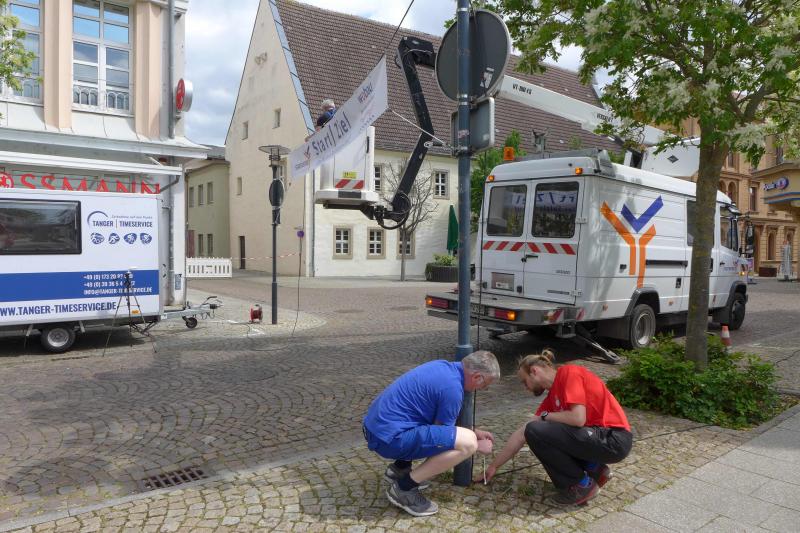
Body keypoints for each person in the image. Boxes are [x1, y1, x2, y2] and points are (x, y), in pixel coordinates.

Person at [477, 349, 632, 507]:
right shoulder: (552, 397)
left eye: (524, 382)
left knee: (537, 430)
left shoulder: (569, 373)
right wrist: (493, 467)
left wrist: (546, 416)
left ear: (534, 371)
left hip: (615, 438)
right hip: (599, 437)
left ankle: (580, 486)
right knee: (535, 431)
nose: (525, 388)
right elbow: (522, 433)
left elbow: (578, 418)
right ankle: (595, 469)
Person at [363, 350, 501, 517]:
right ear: (477, 377)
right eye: (485, 385)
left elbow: (437, 423)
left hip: (376, 430)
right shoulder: (453, 390)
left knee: (428, 421)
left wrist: (474, 431)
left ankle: (399, 469)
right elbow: (442, 438)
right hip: (389, 440)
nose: (483, 389)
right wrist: (477, 445)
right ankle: (404, 488)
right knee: (468, 444)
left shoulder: (441, 367)